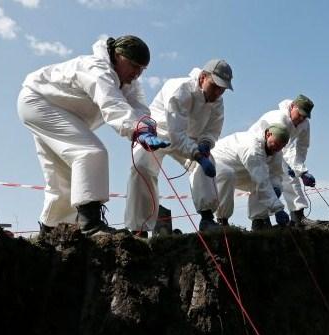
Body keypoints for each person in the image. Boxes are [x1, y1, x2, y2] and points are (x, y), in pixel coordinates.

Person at [17, 35, 168, 236]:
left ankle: (50, 230)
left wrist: (147, 128)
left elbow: (139, 108)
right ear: (117, 55)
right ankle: (91, 224)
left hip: (60, 112)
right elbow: (112, 105)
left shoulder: (129, 84)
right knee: (90, 152)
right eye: (133, 65)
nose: (137, 73)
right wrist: (137, 130)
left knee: (62, 177)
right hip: (40, 103)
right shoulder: (97, 69)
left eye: (142, 69)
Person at [124, 59, 233, 235]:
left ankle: (207, 218)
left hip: (189, 140)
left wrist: (206, 143)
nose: (218, 92)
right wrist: (196, 154)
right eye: (215, 86)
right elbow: (176, 134)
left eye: (223, 89)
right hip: (158, 135)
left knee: (205, 163)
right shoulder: (180, 89)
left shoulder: (217, 100)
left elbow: (213, 129)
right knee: (141, 168)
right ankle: (139, 228)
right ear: (203, 77)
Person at [194, 124, 291, 231]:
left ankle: (259, 221)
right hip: (218, 161)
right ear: (268, 134)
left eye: (282, 146)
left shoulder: (276, 152)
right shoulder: (252, 147)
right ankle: (221, 220)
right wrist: (278, 209)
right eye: (276, 143)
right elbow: (261, 180)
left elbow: (276, 174)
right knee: (228, 174)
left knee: (269, 185)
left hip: (242, 170)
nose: (277, 148)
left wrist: (276, 187)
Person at [248, 94, 316, 226]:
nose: (301, 118)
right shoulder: (279, 119)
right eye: (300, 114)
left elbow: (302, 147)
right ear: (292, 107)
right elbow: (286, 147)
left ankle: (298, 215)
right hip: (258, 148)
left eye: (305, 116)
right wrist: (299, 170)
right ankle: (260, 220)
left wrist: (300, 168)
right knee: (263, 180)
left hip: (277, 149)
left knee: (290, 177)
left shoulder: (304, 124)